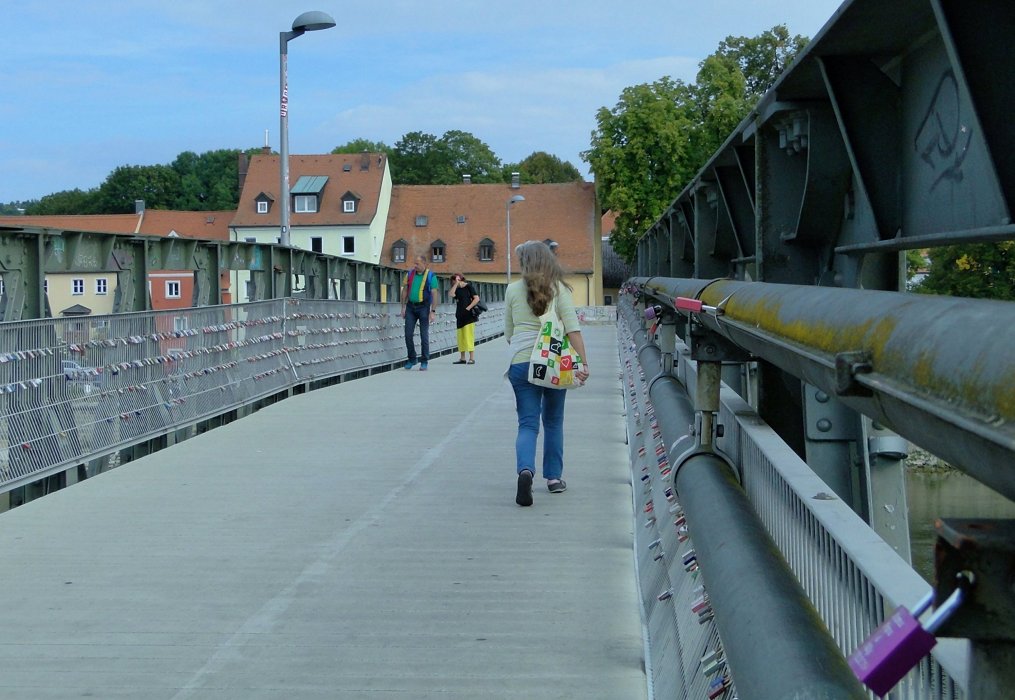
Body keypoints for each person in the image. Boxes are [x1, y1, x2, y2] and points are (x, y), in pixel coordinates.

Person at [504, 240, 590, 506]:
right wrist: (582, 364)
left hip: (521, 363)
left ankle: (526, 471)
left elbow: (509, 333)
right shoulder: (559, 290)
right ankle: (553, 478)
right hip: (553, 363)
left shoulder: (512, 290)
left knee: (527, 423)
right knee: (553, 422)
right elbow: (572, 329)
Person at [400, 254, 439, 371]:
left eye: (417, 264)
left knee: (424, 335)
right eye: (414, 263)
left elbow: (434, 294)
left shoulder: (431, 276)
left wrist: (433, 311)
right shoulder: (410, 274)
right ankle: (412, 358)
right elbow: (405, 290)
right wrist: (403, 307)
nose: (415, 266)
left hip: (424, 307)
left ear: (424, 264)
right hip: (411, 307)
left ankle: (424, 360)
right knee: (408, 334)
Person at [450, 273, 480, 364]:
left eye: (453, 281)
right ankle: (462, 358)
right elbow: (451, 294)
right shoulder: (457, 289)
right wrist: (456, 284)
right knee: (461, 337)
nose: (453, 283)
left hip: (468, 315)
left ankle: (472, 358)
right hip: (459, 315)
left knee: (468, 336)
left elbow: (476, 298)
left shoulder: (469, 287)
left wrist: (468, 308)